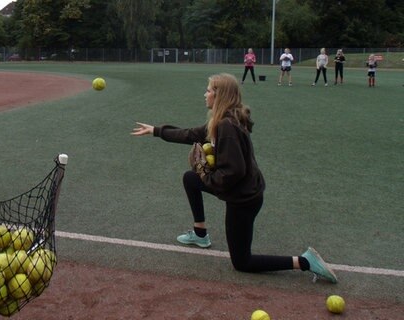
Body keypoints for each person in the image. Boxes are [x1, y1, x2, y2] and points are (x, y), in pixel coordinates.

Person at [131, 73, 338, 283]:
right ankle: (200, 234)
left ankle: (305, 261)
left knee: (242, 262)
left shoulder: (226, 127)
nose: (205, 94)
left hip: (243, 199)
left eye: (209, 90)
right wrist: (156, 131)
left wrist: (205, 173)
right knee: (190, 178)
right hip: (243, 190)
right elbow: (191, 134)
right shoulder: (222, 120)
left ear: (219, 96)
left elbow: (233, 172)